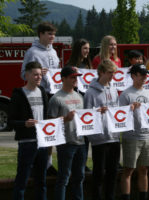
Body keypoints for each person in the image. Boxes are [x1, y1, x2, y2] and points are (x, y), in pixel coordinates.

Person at [20, 21, 60, 176]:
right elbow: (23, 73)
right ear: (41, 34)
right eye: (49, 34)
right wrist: (37, 72)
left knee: (51, 128)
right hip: (39, 93)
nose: (52, 37)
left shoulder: (54, 52)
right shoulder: (32, 52)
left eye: (54, 34)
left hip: (53, 93)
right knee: (39, 129)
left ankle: (48, 163)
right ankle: (34, 164)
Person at [10, 61, 49, 200]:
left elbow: (47, 116)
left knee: (41, 181)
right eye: (35, 75)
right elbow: (11, 121)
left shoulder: (43, 92)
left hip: (43, 143)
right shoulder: (19, 94)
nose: (38, 77)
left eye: (40, 75)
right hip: (27, 143)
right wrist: (24, 124)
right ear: (26, 75)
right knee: (22, 180)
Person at [48, 66, 86, 200]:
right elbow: (50, 124)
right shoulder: (56, 98)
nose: (75, 80)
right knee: (64, 177)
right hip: (65, 143)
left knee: (80, 176)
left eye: (76, 77)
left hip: (80, 142)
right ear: (63, 79)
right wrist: (66, 118)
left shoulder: (80, 96)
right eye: (72, 77)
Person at [84, 59, 120, 200]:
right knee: (99, 174)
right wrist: (97, 112)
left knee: (113, 173)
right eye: (110, 73)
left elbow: (117, 112)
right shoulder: (90, 92)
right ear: (101, 72)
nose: (112, 76)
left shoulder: (114, 89)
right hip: (99, 139)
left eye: (114, 73)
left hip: (114, 137)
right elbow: (86, 115)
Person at [119, 64, 149, 200]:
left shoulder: (148, 93)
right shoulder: (126, 94)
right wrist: (130, 109)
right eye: (142, 74)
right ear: (133, 76)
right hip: (132, 137)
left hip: (147, 136)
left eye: (146, 74)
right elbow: (119, 117)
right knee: (128, 170)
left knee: (144, 169)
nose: (145, 76)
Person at [66, 38, 92, 172]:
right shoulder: (70, 65)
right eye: (85, 48)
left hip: (87, 103)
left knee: (85, 134)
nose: (87, 51)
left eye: (88, 48)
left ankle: (83, 163)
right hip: (75, 103)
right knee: (74, 134)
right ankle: (72, 164)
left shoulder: (88, 65)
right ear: (78, 50)